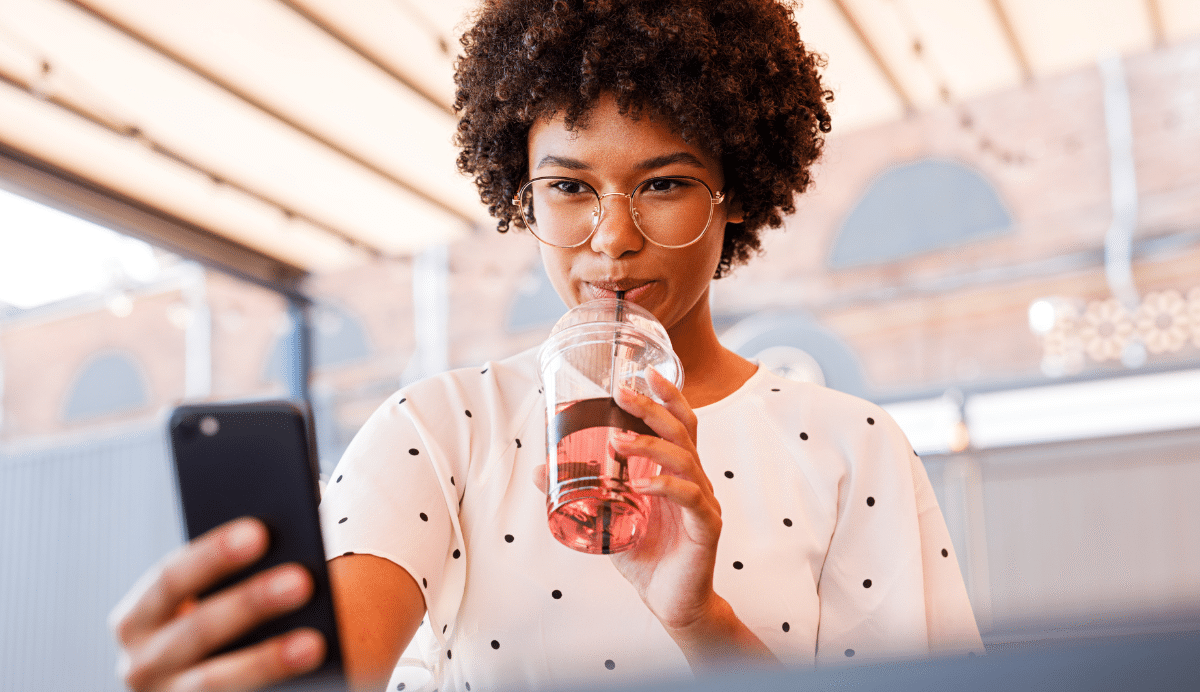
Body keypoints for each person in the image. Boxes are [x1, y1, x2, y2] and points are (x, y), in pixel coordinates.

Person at [110, 1, 984, 690]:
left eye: (666, 184)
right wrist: (229, 662)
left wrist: (699, 620)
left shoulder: (849, 447)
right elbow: (334, 661)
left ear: (739, 192)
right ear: (520, 193)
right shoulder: (442, 426)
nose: (611, 237)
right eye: (569, 186)